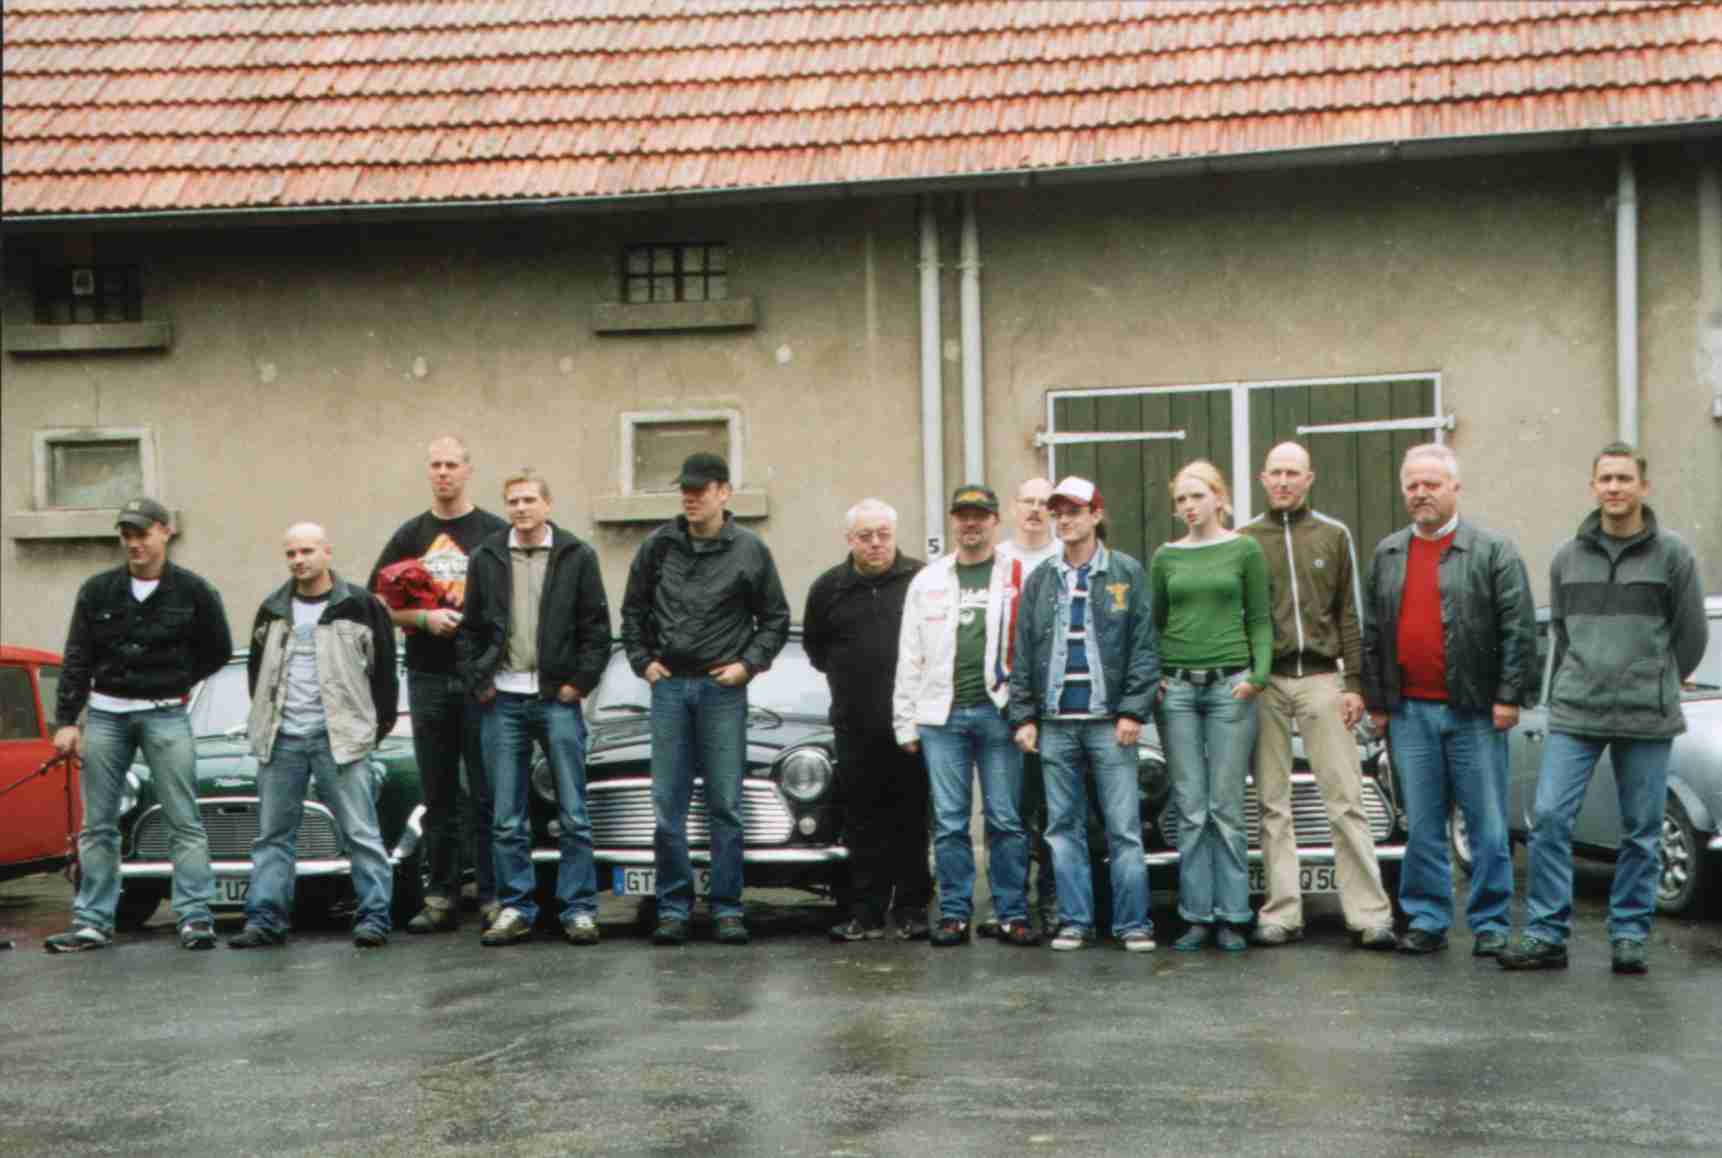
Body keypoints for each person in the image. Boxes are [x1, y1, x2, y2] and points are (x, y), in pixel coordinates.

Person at [1500, 443, 1708, 975]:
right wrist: (1586, 675)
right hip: (1577, 712)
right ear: (1593, 486)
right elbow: (1564, 632)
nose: (1614, 487)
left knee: (1641, 828)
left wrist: (1654, 678)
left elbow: (1691, 636)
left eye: (1624, 478)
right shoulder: (1567, 558)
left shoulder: (1674, 556)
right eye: (1606, 479)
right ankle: (1546, 934)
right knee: (1550, 818)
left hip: (1646, 714)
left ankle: (1630, 934)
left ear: (1643, 486)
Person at [1361, 443, 1536, 956]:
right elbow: (1373, 634)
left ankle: (1490, 923)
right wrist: (1378, 701)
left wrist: (1508, 697)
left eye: (1432, 484)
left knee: (1486, 824)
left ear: (1455, 488)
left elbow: (1519, 628)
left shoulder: (1493, 551)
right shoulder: (1388, 553)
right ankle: (1427, 918)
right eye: (1412, 485)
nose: (1421, 493)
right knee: (1421, 824)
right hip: (1409, 713)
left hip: (1475, 712)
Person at [45, 497, 232, 953]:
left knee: (183, 819)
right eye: (126, 535)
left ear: (165, 532)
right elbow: (77, 657)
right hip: (105, 716)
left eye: (143, 534)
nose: (134, 544)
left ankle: (195, 917)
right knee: (98, 824)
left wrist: (176, 680)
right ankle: (92, 922)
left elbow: (218, 650)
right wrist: (67, 720)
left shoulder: (195, 592)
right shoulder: (97, 591)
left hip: (166, 714)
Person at [620, 453, 790, 947]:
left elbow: (775, 619)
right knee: (667, 806)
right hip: (670, 689)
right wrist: (643, 662)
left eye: (700, 489)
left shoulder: (750, 551)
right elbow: (632, 611)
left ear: (724, 493)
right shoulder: (658, 547)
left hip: (722, 692)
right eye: (685, 490)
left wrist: (746, 666)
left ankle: (728, 909)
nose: (690, 498)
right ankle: (673, 909)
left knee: (726, 805)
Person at [1239, 443, 1398, 951]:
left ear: (1310, 478)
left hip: (1323, 679)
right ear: (1263, 479)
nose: (1284, 481)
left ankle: (1368, 914)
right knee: (1271, 800)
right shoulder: (1246, 539)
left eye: (1293, 473)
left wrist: (1354, 684)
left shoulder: (1334, 534)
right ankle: (1281, 912)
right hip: (1267, 680)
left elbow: (1349, 614)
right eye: (1276, 473)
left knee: (1345, 798)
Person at [457, 470, 612, 947]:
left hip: (556, 700)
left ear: (548, 504)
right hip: (502, 700)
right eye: (513, 501)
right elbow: (470, 630)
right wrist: (480, 680)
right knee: (506, 815)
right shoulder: (487, 557)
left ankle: (579, 909)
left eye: (528, 500)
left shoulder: (576, 556)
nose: (520, 509)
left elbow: (596, 629)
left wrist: (578, 684)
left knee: (574, 812)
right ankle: (516, 907)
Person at [229, 524, 399, 949]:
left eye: (306, 551)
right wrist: (268, 722)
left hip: (339, 739)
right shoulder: (273, 608)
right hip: (281, 738)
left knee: (360, 832)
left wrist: (370, 731)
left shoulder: (360, 605)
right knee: (272, 836)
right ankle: (265, 920)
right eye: (291, 553)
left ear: (327, 552)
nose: (298, 560)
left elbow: (384, 676)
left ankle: (375, 917)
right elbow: (257, 674)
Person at [1009, 477, 1159, 952]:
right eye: (1058, 512)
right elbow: (1023, 653)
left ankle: (1133, 924)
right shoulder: (1041, 579)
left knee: (1123, 828)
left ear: (1096, 514)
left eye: (1074, 511)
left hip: (1108, 722)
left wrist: (1133, 710)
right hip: (1056, 722)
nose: (1064, 520)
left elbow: (1143, 647)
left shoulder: (1126, 572)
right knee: (1062, 828)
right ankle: (1075, 922)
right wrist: (1024, 716)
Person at [370, 435, 507, 933]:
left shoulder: (493, 531)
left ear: (468, 470)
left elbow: (513, 601)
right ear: (427, 472)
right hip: (428, 675)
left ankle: (493, 895)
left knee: (488, 791)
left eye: (451, 464)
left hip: (482, 679)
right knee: (438, 792)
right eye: (435, 465)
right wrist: (422, 619)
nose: (443, 473)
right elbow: (375, 602)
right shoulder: (411, 535)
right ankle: (442, 895)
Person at [894, 485, 1032, 947]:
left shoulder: (1017, 576)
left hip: (999, 713)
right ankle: (954, 913)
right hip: (942, 718)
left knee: (1005, 818)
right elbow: (909, 654)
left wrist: (1027, 713)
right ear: (953, 521)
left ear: (995, 521)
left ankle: (1012, 912)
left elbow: (1031, 647)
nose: (971, 523)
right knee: (951, 821)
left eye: (980, 515)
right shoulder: (928, 579)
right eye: (963, 516)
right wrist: (904, 721)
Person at [1151, 462, 1272, 953]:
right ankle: (1197, 914)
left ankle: (1234, 915)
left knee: (1226, 806)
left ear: (1219, 498)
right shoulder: (1166, 557)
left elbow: (1260, 618)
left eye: (1197, 496)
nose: (1188, 506)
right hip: (1178, 691)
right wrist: (1156, 675)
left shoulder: (1244, 549)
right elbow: (1155, 622)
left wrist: (1258, 675)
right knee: (1190, 807)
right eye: (1181, 499)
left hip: (1230, 688)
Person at [803, 498, 931, 941]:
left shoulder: (921, 580)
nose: (875, 543)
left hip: (911, 724)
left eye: (883, 534)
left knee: (912, 817)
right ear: (849, 539)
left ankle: (912, 909)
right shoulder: (828, 589)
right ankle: (867, 913)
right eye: (865, 536)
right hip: (854, 724)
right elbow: (816, 651)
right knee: (862, 821)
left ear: (894, 536)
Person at [979, 476, 1060, 937]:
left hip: (1054, 705)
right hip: (1001, 702)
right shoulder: (995, 561)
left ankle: (1052, 898)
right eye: (1027, 501)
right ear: (1013, 507)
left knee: (1053, 807)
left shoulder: (1063, 557)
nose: (1035, 509)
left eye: (1044, 502)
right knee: (1005, 809)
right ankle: (1006, 901)